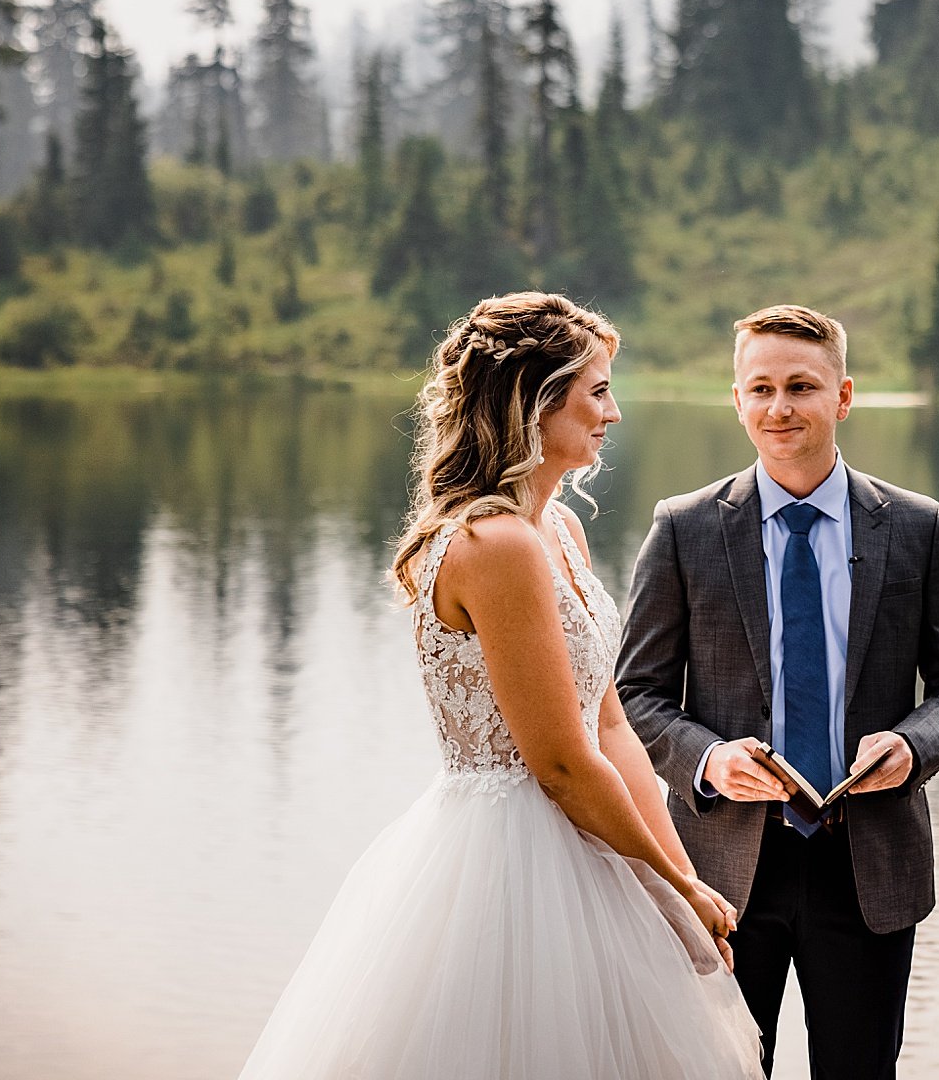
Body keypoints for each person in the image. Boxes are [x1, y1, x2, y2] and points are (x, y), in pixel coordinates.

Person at [237, 292, 763, 1080]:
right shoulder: (496, 544)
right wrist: (673, 885)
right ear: (534, 400)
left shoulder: (559, 530)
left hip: (595, 840)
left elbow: (611, 729)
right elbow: (557, 763)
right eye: (597, 391)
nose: (613, 413)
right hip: (510, 866)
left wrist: (675, 878)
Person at [617, 304, 939, 1079]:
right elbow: (636, 696)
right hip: (722, 873)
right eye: (760, 389)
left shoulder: (918, 528)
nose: (779, 407)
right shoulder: (683, 529)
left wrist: (913, 745)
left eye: (801, 387)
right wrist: (709, 760)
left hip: (869, 870)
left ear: (843, 396)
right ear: (737, 400)